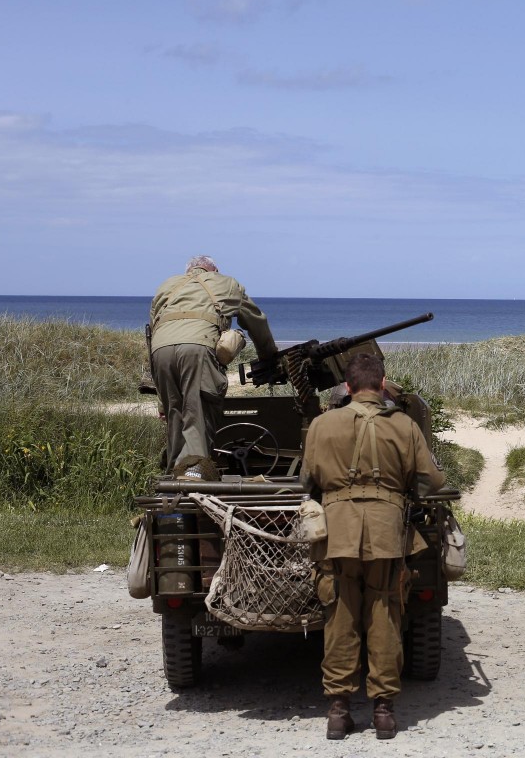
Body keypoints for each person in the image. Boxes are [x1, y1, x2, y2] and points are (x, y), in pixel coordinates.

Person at [301, 353, 445, 741]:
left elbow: (307, 479)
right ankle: (383, 712)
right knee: (384, 617)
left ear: (347, 388)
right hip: (386, 532)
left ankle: (338, 711)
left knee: (340, 618)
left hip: (337, 533)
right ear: (382, 386)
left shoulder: (321, 424)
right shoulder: (404, 426)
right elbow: (431, 482)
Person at [149, 256, 277, 470]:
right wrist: (268, 356)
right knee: (198, 416)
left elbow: (152, 330)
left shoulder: (167, 286)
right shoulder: (226, 283)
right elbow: (256, 321)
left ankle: (172, 476)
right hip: (198, 349)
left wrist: (162, 401)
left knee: (175, 417)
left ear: (189, 271)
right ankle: (193, 477)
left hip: (160, 350)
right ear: (214, 270)